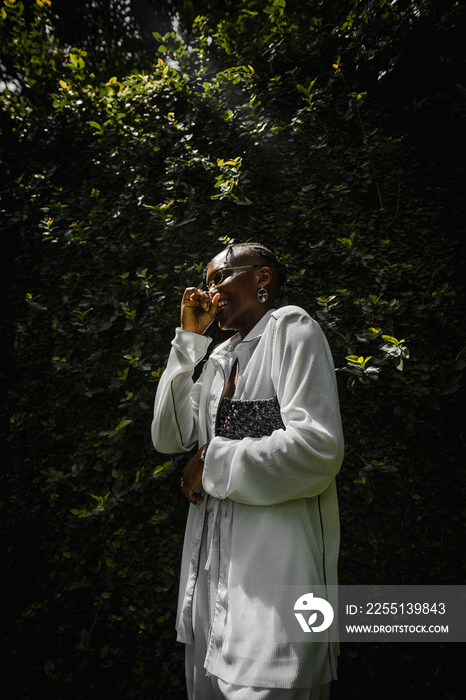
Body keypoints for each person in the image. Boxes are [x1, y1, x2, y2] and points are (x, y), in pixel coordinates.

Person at [152, 242, 344, 700]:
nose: (210, 292)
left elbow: (317, 449)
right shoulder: (217, 360)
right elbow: (168, 435)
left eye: (220, 277)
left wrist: (211, 460)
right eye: (206, 283)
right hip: (208, 604)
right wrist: (188, 343)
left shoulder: (291, 329)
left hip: (272, 601)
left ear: (262, 278)